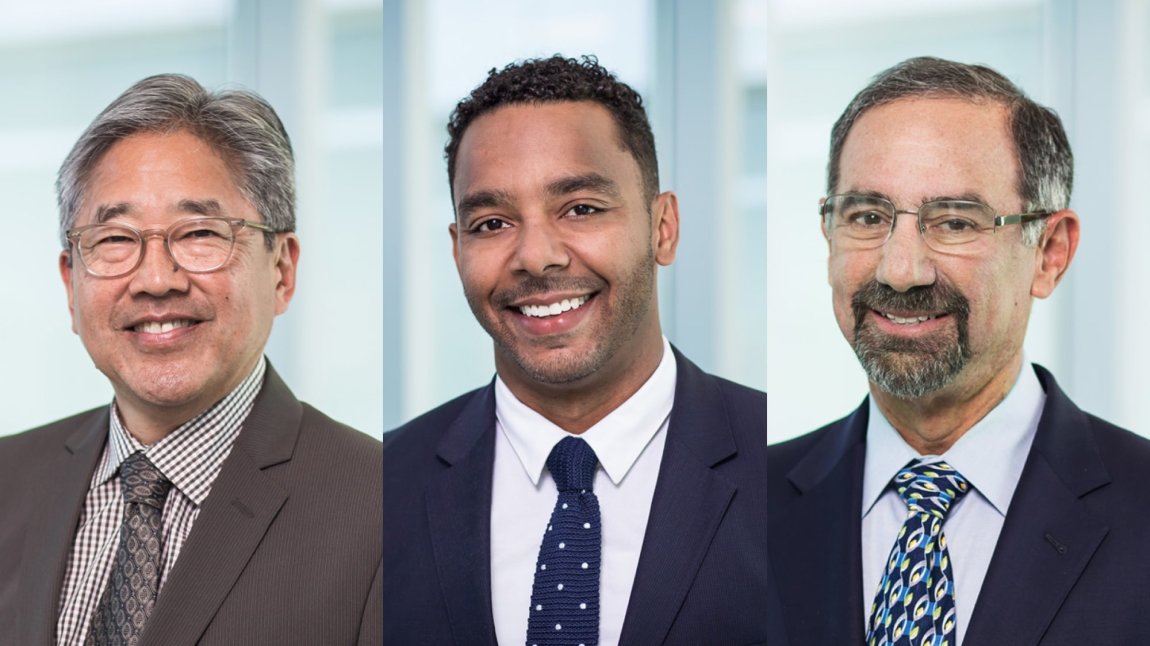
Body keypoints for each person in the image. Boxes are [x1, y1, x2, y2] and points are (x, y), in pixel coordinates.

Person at [383, 55, 768, 645]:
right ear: (456, 249)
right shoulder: (379, 489)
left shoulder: (785, 473)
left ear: (662, 227)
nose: (537, 256)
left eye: (581, 208)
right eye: (491, 223)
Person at [767, 56, 1150, 644]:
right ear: (828, 238)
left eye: (954, 223)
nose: (900, 271)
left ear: (1050, 252)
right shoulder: (746, 505)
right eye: (867, 216)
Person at [0, 74, 382, 645]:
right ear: (70, 284)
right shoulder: (10, 479)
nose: (156, 279)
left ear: (281, 270)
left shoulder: (384, 506)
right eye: (114, 239)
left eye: (201, 233)